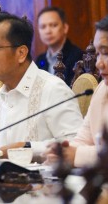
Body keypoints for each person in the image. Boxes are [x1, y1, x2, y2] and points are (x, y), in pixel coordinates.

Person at [0, 12, 83, 157]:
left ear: (21, 53)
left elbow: (76, 143)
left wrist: (26, 147)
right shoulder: (1, 94)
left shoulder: (53, 89)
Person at [44, 15, 108, 168]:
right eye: (97, 54)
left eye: (106, 53)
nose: (99, 64)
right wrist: (64, 152)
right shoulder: (102, 90)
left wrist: (77, 155)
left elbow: (79, 153)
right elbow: (83, 140)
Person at [35, 6, 83, 86]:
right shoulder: (40, 59)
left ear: (65, 28)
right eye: (43, 27)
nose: (48, 31)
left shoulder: (78, 56)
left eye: (53, 25)